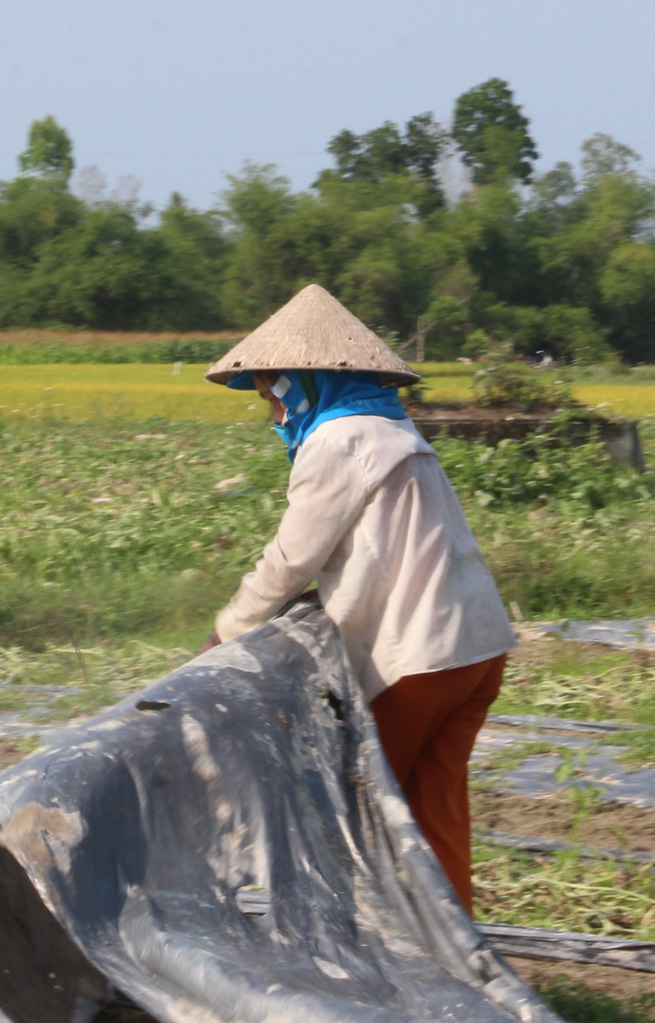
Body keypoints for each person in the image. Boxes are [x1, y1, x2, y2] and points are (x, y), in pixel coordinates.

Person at [203, 284, 516, 914]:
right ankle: (458, 957)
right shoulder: (394, 430)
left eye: (275, 393)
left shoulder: (337, 441)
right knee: (434, 811)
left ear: (304, 380)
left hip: (417, 661)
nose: (274, 412)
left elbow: (290, 560)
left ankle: (355, 961)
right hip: (478, 648)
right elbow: (386, 551)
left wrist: (228, 630)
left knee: (348, 817)